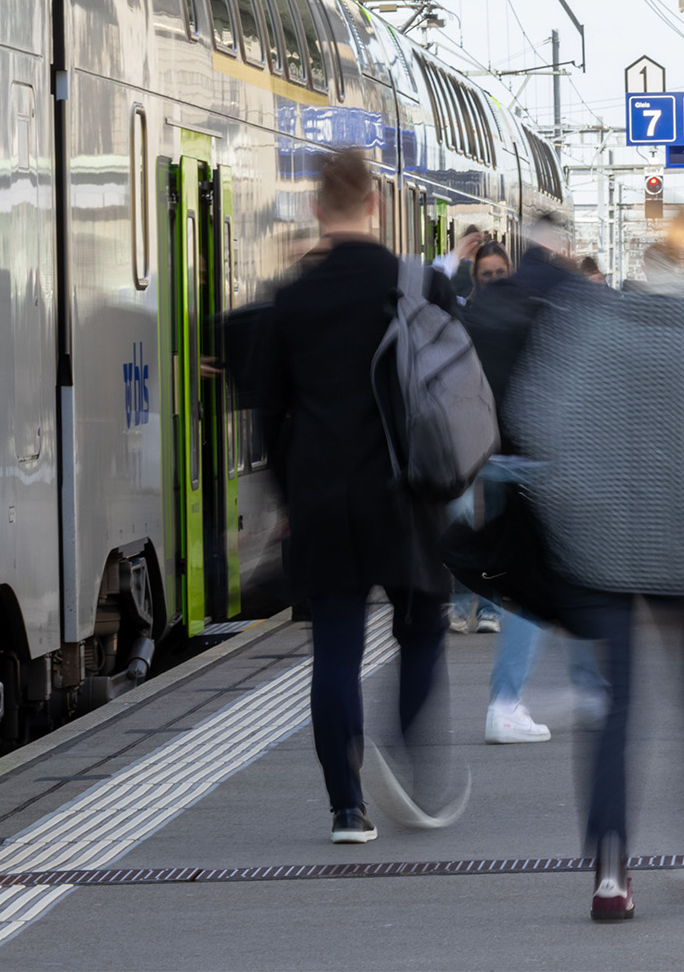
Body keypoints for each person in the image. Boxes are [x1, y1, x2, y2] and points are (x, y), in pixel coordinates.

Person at [506, 233, 684, 921]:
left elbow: (533, 420)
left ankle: (610, 872)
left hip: (595, 550)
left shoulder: (591, 325)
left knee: (612, 708)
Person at [258, 148, 459, 844]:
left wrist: (288, 499)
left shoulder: (289, 298)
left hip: (320, 497)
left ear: (316, 206)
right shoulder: (416, 284)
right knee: (423, 632)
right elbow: (454, 383)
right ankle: (404, 755)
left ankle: (347, 806)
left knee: (336, 652)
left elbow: (267, 416)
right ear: (375, 204)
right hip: (406, 496)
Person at [454, 216, 607, 743]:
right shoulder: (569, 298)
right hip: (550, 462)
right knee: (546, 586)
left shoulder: (490, 301)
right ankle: (507, 703)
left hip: (496, 459)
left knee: (564, 578)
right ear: (562, 247)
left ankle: (590, 689)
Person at [447, 241, 518, 636]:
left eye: (499, 273)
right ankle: (460, 603)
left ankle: (490, 607)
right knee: (459, 521)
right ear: (475, 279)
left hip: (502, 439)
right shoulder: (461, 316)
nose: (493, 280)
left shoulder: (521, 314)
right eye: (486, 274)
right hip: (463, 434)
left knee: (494, 522)